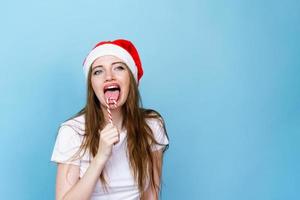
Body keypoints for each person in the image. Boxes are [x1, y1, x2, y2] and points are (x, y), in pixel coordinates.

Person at [51, 39, 169, 200]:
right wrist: (100, 157)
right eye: (98, 71)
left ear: (131, 79)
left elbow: (151, 195)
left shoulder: (151, 126)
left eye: (119, 68)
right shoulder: (73, 131)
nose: (109, 77)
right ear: (92, 84)